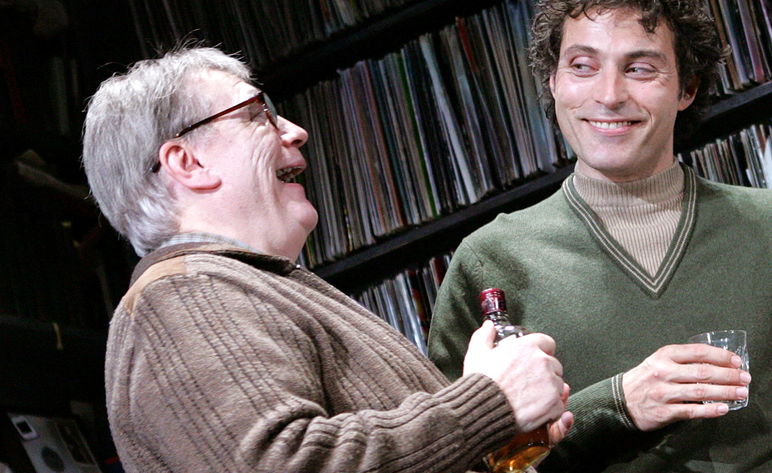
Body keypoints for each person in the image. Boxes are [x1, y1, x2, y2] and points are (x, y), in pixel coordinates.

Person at [427, 0, 772, 471]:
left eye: (640, 68)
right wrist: (618, 404)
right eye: (582, 66)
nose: (608, 95)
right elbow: (455, 461)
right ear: (553, 82)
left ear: (687, 88)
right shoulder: (489, 263)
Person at [82, 45, 573, 472]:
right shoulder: (183, 295)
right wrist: (488, 402)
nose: (295, 131)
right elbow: (278, 465)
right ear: (189, 163)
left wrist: (494, 445)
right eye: (259, 115)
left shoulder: (245, 287)